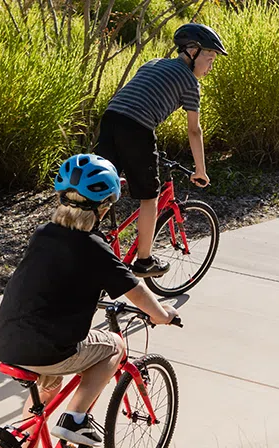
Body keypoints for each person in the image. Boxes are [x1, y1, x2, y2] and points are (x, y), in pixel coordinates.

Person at [0, 154, 179, 447]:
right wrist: (161, 314)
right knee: (114, 346)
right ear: (104, 207)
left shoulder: (43, 234)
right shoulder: (95, 248)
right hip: (49, 349)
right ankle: (75, 420)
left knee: (48, 384)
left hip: (7, 341)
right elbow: (136, 291)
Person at [96, 22, 227, 278]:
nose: (210, 67)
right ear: (192, 51)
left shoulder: (153, 63)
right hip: (137, 126)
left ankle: (81, 238)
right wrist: (200, 169)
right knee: (149, 197)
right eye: (209, 59)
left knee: (102, 185)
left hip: (110, 119)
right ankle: (144, 262)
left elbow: (137, 97)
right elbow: (194, 130)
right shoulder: (190, 82)